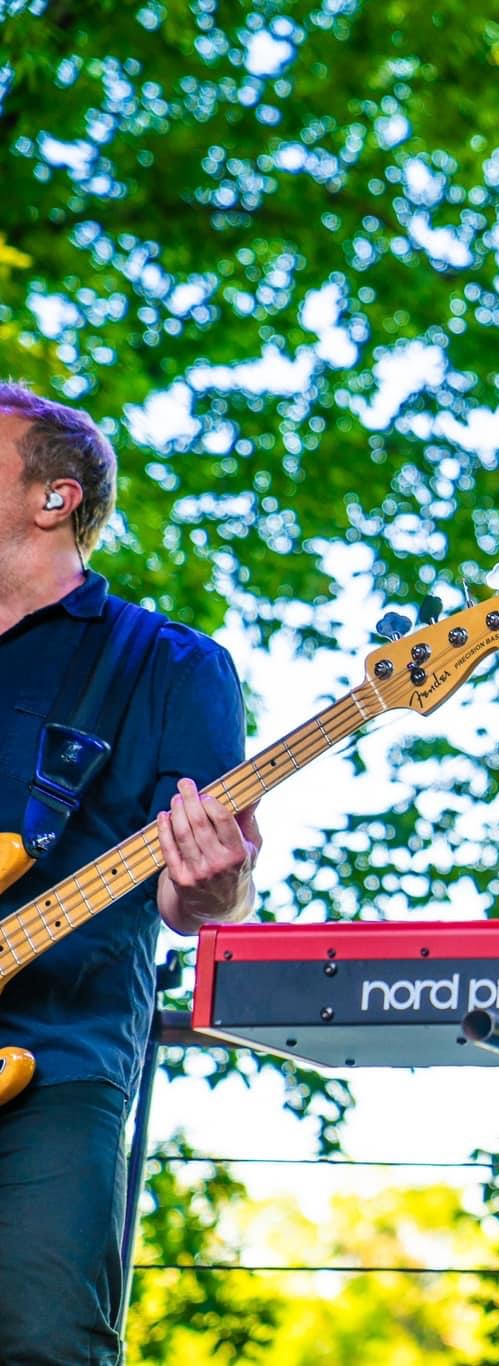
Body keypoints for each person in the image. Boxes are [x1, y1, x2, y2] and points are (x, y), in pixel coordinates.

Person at [0, 383, 261, 1364]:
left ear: (53, 498)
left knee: (41, 1341)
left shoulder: (167, 665)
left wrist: (211, 878)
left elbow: (209, 899)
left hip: (53, 1062)